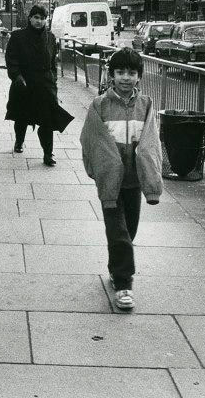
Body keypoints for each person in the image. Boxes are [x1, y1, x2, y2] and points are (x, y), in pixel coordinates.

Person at [79, 48, 162, 310]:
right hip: (111, 183)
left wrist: (152, 181)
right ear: (111, 75)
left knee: (130, 230)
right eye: (120, 72)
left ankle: (116, 269)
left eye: (131, 73)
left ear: (139, 76)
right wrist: (101, 172)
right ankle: (125, 284)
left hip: (134, 181)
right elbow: (91, 142)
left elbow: (151, 143)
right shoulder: (100, 105)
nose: (125, 78)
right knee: (119, 233)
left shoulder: (145, 104)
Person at [4, 5, 74, 167]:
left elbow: (52, 63)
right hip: (24, 84)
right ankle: (19, 141)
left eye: (42, 18)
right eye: (36, 17)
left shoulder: (50, 38)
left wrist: (53, 80)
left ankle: (48, 154)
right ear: (30, 18)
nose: (39, 21)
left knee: (47, 120)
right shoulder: (18, 36)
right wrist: (17, 76)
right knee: (21, 117)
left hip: (44, 86)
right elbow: (11, 59)